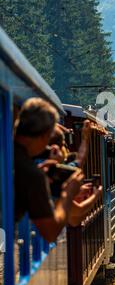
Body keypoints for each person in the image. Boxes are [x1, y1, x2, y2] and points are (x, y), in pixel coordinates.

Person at [14, 98, 84, 242]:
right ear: (45, 134)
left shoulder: (8, 152)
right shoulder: (32, 174)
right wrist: (68, 193)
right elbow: (50, 232)